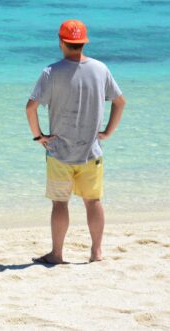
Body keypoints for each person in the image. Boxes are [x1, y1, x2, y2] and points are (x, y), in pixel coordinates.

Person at [25, 19, 126, 265]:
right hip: (91, 151)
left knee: (60, 203)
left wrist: (39, 136)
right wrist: (108, 132)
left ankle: (57, 254)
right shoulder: (101, 69)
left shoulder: (51, 72)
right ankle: (97, 252)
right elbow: (120, 102)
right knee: (93, 202)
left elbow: (30, 107)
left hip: (59, 152)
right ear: (83, 43)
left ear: (61, 42)